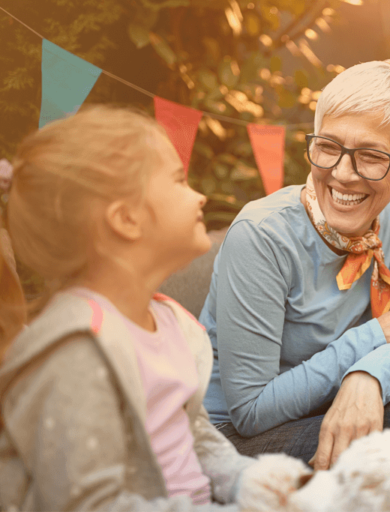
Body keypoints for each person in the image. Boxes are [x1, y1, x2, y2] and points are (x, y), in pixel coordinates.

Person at [200, 60, 390, 512]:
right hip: (236, 441)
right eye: (329, 147)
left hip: (322, 402)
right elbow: (250, 411)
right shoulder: (261, 237)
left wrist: (369, 379)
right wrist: (377, 337)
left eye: (372, 156)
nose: (342, 173)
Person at [0, 106, 265, 511]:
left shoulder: (170, 322)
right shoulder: (77, 350)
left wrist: (253, 484)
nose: (200, 195)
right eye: (179, 180)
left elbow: (191, 432)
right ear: (126, 219)